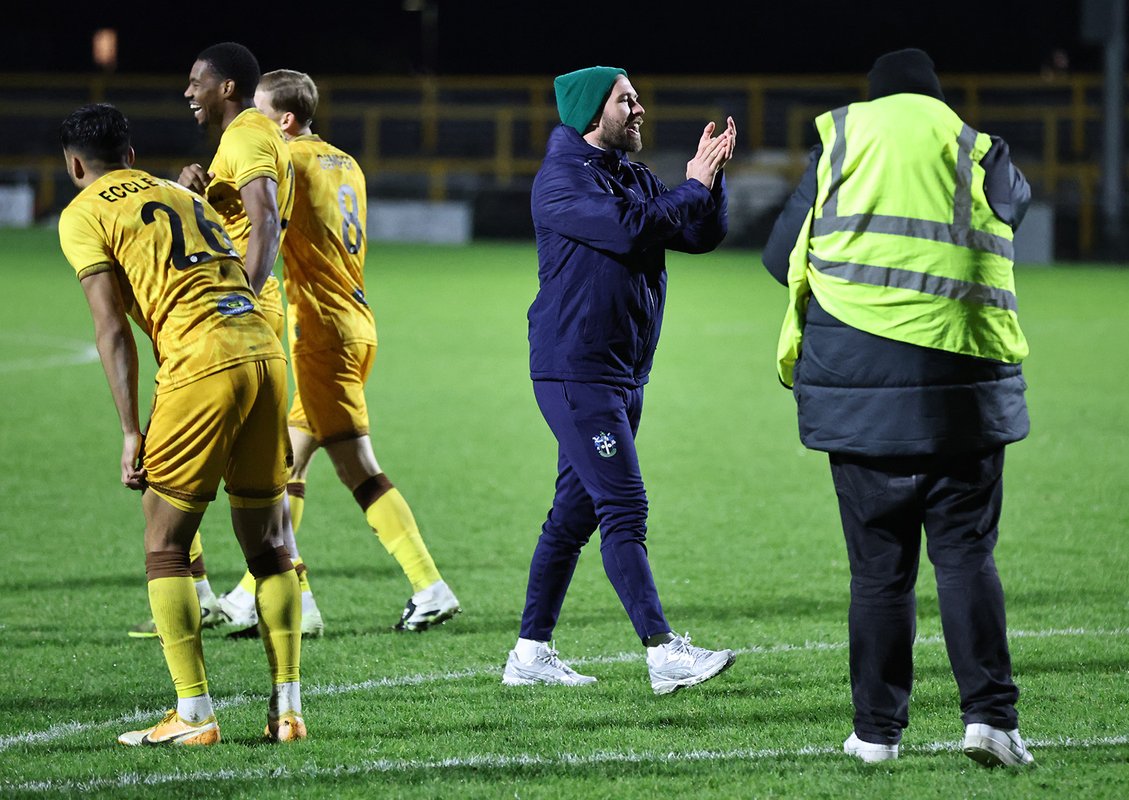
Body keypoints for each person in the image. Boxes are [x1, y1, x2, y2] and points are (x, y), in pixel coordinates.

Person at [763, 48, 1035, 766]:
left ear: (876, 97)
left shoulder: (843, 142)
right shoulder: (978, 147)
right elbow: (1015, 210)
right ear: (935, 96)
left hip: (856, 395)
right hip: (963, 391)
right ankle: (989, 722)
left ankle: (877, 734)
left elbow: (773, 254)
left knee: (879, 572)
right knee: (966, 556)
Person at [58, 103, 305, 744]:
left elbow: (113, 330)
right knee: (269, 541)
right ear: (132, 156)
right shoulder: (179, 192)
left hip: (202, 362)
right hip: (265, 351)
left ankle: (194, 715)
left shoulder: (84, 212)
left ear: (75, 164)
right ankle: (288, 712)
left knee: (167, 543)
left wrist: (130, 430)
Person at [501, 66, 737, 694]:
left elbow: (698, 234)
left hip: (621, 373)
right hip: (577, 371)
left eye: (636, 98)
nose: (639, 109)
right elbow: (632, 229)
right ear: (590, 113)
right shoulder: (561, 180)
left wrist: (711, 182)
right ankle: (663, 652)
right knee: (624, 507)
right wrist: (689, 184)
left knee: (572, 518)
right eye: (625, 99)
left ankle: (529, 653)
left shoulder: (627, 174)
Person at [253, 68, 461, 631]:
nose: (254, 124)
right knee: (285, 465)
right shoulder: (347, 162)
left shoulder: (288, 162)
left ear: (286, 120)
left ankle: (428, 585)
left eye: (259, 113)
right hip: (356, 325)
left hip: (321, 335)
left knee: (358, 470)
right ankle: (268, 588)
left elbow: (262, 224)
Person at [128, 42, 322, 638]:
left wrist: (242, 292)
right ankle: (280, 612)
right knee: (259, 504)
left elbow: (262, 218)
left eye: (196, 82)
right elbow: (241, 215)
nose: (189, 92)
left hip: (227, 332)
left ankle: (199, 607)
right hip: (252, 333)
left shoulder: (245, 135)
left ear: (228, 88)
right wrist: (196, 193)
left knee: (161, 481)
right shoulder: (245, 140)